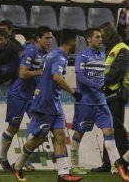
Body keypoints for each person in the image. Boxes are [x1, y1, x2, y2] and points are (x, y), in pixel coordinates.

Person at [12, 29, 84, 182]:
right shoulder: (58, 57)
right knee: (38, 139)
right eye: (77, 40)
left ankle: (63, 174)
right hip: (45, 102)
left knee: (60, 136)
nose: (77, 43)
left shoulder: (55, 55)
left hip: (54, 102)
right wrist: (73, 92)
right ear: (72, 40)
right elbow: (56, 77)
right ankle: (18, 166)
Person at [70, 28, 129, 180]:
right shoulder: (82, 56)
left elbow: (103, 77)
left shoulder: (103, 55)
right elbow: (81, 78)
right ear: (89, 39)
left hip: (101, 102)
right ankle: (74, 165)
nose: (100, 39)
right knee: (79, 133)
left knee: (109, 132)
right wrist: (99, 87)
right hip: (86, 102)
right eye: (97, 37)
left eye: (101, 37)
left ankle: (117, 165)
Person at [0, 26, 52, 172]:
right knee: (13, 128)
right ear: (38, 38)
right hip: (19, 94)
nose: (50, 41)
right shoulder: (30, 51)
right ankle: (2, 157)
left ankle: (22, 161)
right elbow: (22, 74)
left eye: (51, 38)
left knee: (38, 129)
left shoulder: (45, 54)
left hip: (34, 95)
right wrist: (41, 72)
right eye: (47, 38)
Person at [91, 22, 129, 173]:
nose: (100, 38)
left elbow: (116, 73)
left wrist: (98, 81)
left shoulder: (122, 49)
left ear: (109, 33)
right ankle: (108, 163)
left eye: (102, 35)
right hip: (108, 93)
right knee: (109, 129)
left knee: (116, 129)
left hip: (117, 93)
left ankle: (124, 161)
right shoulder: (110, 49)